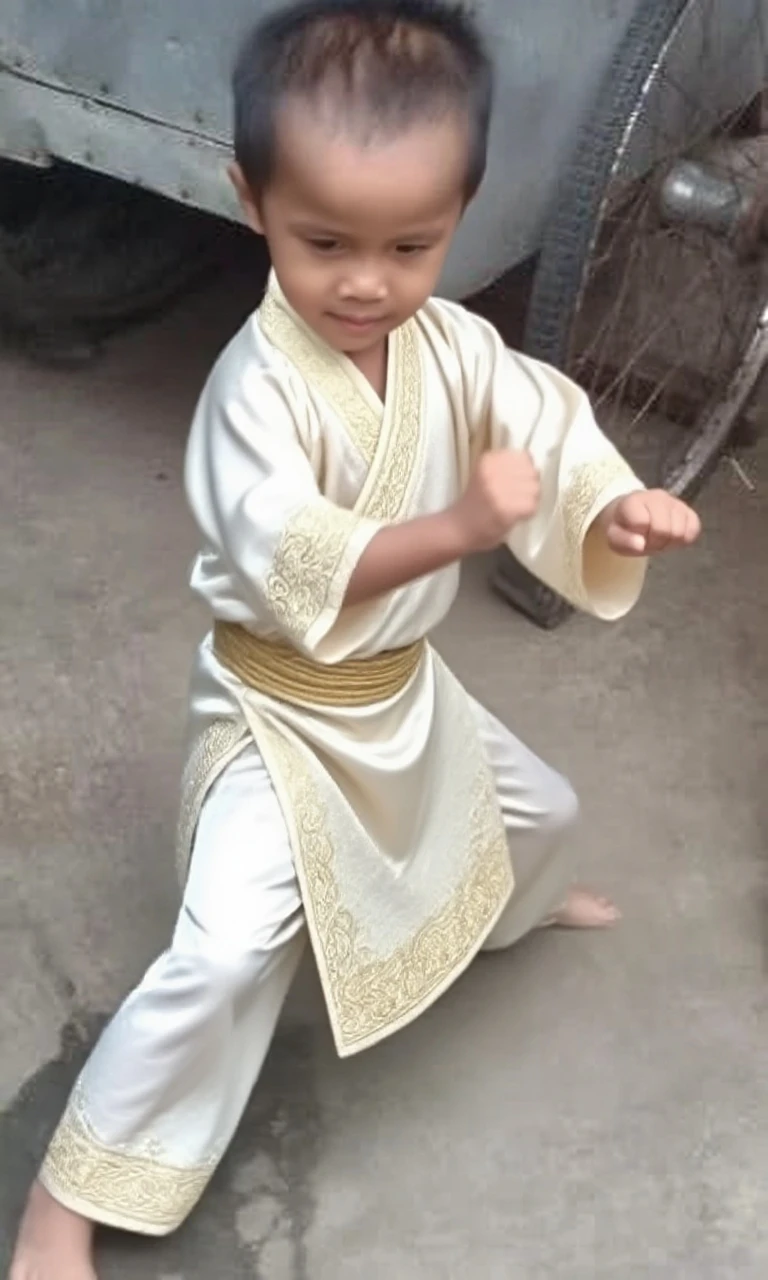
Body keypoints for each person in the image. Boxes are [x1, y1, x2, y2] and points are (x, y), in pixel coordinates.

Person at [10, 1, 702, 1276]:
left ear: (458, 214)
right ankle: (66, 1196)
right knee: (226, 955)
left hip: (398, 696)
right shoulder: (254, 392)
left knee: (541, 813)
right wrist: (457, 528)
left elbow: (545, 427)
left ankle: (502, 912)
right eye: (324, 241)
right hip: (278, 714)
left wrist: (613, 505)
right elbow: (295, 555)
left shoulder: (451, 346)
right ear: (253, 200)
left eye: (410, 245)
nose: (368, 282)